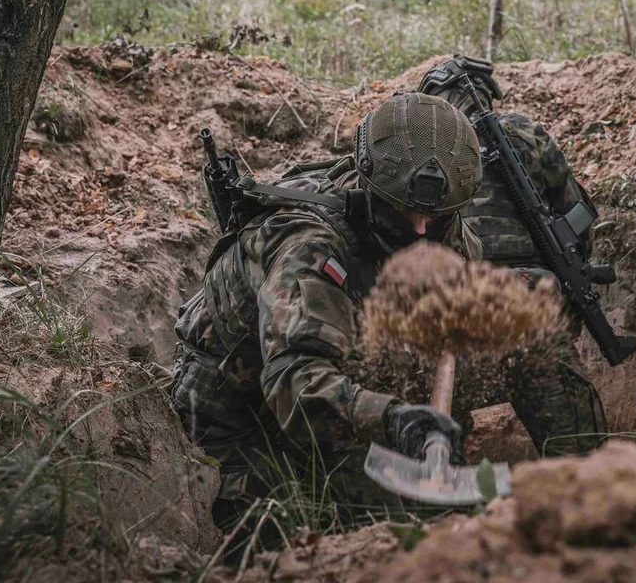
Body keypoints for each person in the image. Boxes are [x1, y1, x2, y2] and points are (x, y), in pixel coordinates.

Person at [168, 92, 484, 533]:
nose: (419, 229)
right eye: (403, 212)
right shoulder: (311, 245)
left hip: (338, 373)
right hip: (239, 405)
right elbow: (295, 382)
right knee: (299, 534)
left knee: (419, 519)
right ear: (369, 186)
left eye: (435, 218)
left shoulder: (449, 235)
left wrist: (436, 437)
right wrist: (394, 421)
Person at [418, 54, 610, 457]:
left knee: (431, 435)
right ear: (488, 95)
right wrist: (568, 305)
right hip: (532, 320)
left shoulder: (419, 155)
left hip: (454, 335)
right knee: (582, 459)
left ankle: (441, 480)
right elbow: (576, 222)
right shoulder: (526, 134)